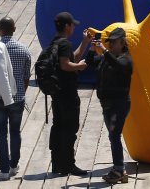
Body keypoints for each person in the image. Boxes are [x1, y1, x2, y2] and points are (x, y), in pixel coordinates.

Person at [85, 27, 133, 184]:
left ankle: (119, 169)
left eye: (113, 42)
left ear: (122, 42)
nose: (111, 45)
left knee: (114, 136)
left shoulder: (126, 59)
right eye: (109, 42)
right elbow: (91, 62)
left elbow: (118, 66)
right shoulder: (107, 57)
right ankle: (118, 169)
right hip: (107, 105)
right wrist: (92, 49)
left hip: (119, 104)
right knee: (113, 136)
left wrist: (104, 51)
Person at [48, 12, 90, 177]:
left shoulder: (55, 43)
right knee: (70, 129)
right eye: (72, 25)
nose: (74, 27)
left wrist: (85, 42)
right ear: (66, 26)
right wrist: (79, 67)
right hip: (67, 93)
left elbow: (74, 57)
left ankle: (57, 164)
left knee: (58, 126)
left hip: (57, 93)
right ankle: (68, 165)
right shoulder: (64, 44)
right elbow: (66, 65)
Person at [0, 17, 32, 180]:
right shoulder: (24, 50)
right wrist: (20, 92)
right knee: (15, 132)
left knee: (1, 133)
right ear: (14, 29)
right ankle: (14, 165)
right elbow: (25, 77)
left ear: (0, 30)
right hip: (17, 98)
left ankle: (3, 169)